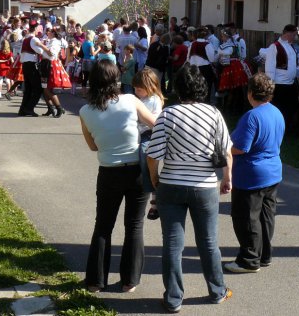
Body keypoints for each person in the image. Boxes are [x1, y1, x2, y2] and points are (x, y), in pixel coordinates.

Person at [146, 64, 233, 313]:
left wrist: (155, 180)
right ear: (202, 87)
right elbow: (226, 151)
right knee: (208, 242)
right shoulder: (214, 113)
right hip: (204, 186)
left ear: (178, 87)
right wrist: (227, 178)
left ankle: (173, 298)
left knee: (173, 244)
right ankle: (217, 291)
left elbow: (153, 156)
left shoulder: (168, 115)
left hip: (171, 185)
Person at [79, 60, 156, 293]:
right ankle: (129, 280)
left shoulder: (85, 111)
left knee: (103, 225)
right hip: (135, 170)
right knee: (134, 225)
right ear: (116, 80)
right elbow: (154, 122)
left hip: (108, 171)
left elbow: (92, 146)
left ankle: (95, 280)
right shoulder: (130, 101)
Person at [224, 72, 285, 273]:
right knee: (266, 216)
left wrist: (223, 148)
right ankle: (264, 254)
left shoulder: (251, 116)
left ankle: (249, 259)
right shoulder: (276, 112)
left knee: (247, 218)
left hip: (251, 175)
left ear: (250, 93)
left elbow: (240, 147)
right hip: (273, 171)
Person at [132, 68, 164, 220]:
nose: (137, 92)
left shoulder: (154, 100)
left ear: (150, 87)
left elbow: (154, 121)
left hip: (148, 135)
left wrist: (140, 121)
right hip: (136, 133)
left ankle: (155, 199)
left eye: (140, 89)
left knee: (147, 159)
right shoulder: (138, 98)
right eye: (135, 89)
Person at [264, 24, 299, 128]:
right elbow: (270, 68)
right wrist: (270, 85)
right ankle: (277, 128)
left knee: (292, 107)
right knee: (279, 108)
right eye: (294, 35)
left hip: (291, 84)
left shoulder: (291, 46)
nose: (295, 37)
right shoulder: (274, 47)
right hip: (280, 84)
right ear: (288, 33)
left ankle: (286, 127)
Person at [39, 28, 71, 118]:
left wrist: (41, 45)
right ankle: (50, 108)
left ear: (53, 33)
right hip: (46, 64)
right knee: (44, 88)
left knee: (46, 88)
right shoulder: (52, 41)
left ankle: (59, 108)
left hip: (49, 65)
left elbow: (51, 54)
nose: (47, 32)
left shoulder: (55, 42)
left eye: (49, 31)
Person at [18, 21, 44, 117]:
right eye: (39, 28)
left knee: (28, 89)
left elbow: (21, 53)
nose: (39, 30)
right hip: (31, 65)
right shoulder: (33, 39)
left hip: (25, 65)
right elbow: (40, 51)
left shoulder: (26, 39)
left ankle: (23, 109)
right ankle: (29, 108)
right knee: (38, 88)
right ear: (36, 28)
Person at [188, 27, 216, 103]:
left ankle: (194, 102)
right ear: (206, 35)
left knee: (194, 86)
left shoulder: (192, 44)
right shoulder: (208, 45)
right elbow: (212, 59)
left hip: (193, 69)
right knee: (206, 87)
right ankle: (205, 103)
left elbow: (188, 58)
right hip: (205, 69)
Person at [80, 30, 99, 96]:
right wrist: (98, 49)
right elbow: (93, 53)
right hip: (91, 61)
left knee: (85, 78)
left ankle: (83, 93)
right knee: (91, 78)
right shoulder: (90, 43)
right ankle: (92, 93)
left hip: (84, 60)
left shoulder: (84, 43)